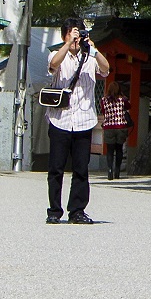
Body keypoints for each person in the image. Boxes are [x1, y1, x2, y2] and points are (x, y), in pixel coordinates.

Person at [45, 22, 110, 223]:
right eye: (72, 35)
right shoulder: (57, 54)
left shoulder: (90, 58)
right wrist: (67, 44)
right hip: (60, 119)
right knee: (56, 168)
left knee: (81, 169)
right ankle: (54, 212)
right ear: (64, 36)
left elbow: (106, 69)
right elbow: (53, 65)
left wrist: (94, 49)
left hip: (84, 120)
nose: (76, 40)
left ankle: (77, 211)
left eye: (78, 35)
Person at [99, 77, 132, 181]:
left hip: (109, 126)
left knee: (110, 150)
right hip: (121, 126)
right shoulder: (122, 99)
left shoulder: (104, 100)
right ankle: (117, 170)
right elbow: (129, 106)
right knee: (119, 149)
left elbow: (104, 112)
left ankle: (109, 170)